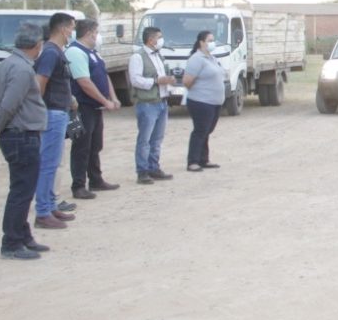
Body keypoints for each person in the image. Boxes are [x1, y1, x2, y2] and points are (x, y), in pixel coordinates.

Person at [0, 23, 51, 259]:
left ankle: (23, 236)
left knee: (22, 188)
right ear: (37, 45)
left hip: (16, 133)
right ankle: (12, 243)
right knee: (22, 191)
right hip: (21, 134)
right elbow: (9, 103)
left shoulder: (6, 64)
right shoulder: (22, 69)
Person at [66, 19, 121, 198]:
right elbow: (84, 82)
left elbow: (104, 76)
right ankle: (78, 185)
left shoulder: (94, 53)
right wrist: (105, 101)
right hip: (83, 107)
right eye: (97, 32)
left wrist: (113, 97)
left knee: (95, 145)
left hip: (96, 107)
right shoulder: (75, 51)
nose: (98, 36)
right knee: (81, 146)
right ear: (89, 33)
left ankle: (96, 179)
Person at [32, 12, 77, 225]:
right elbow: (40, 83)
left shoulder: (56, 51)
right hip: (51, 113)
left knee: (53, 162)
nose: (72, 33)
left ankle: (50, 206)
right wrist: (39, 110)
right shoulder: (50, 52)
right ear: (62, 28)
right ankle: (43, 212)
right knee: (48, 164)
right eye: (71, 28)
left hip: (59, 112)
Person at [130, 26, 176, 184]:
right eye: (159, 37)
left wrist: (168, 82)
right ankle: (142, 171)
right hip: (147, 103)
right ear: (150, 40)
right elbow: (135, 80)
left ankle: (153, 167)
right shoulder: (138, 57)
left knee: (157, 139)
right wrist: (156, 81)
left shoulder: (159, 56)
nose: (161, 40)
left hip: (162, 101)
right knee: (145, 139)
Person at [183, 31, 225, 172]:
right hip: (201, 101)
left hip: (214, 102)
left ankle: (203, 159)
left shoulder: (211, 58)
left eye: (213, 40)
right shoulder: (197, 59)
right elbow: (187, 81)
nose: (212, 43)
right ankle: (193, 161)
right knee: (200, 130)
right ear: (201, 42)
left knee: (207, 130)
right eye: (209, 40)